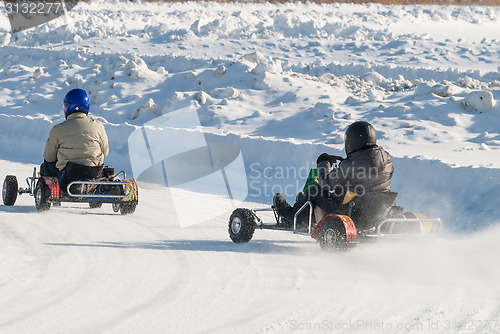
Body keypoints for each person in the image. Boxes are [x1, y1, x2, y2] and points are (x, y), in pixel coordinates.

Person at [273, 121, 394, 227]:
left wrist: (324, 163)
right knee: (343, 192)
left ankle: (290, 217)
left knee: (314, 190)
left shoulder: (350, 165)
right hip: (377, 212)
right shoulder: (387, 159)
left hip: (353, 214)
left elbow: (326, 183)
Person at [41, 88, 109, 187]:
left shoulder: (57, 129)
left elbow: (49, 157)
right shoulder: (98, 126)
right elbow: (105, 152)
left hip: (67, 178)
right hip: (93, 174)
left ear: (66, 107)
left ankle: (50, 188)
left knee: (47, 162)